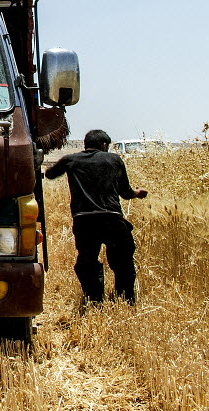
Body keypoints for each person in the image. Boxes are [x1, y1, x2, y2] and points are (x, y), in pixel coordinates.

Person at [46, 129, 149, 305]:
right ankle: (125, 299)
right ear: (103, 145)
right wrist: (137, 193)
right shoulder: (114, 160)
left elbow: (49, 175)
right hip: (112, 219)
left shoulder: (71, 160)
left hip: (84, 220)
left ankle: (95, 299)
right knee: (123, 260)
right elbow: (125, 192)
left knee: (87, 261)